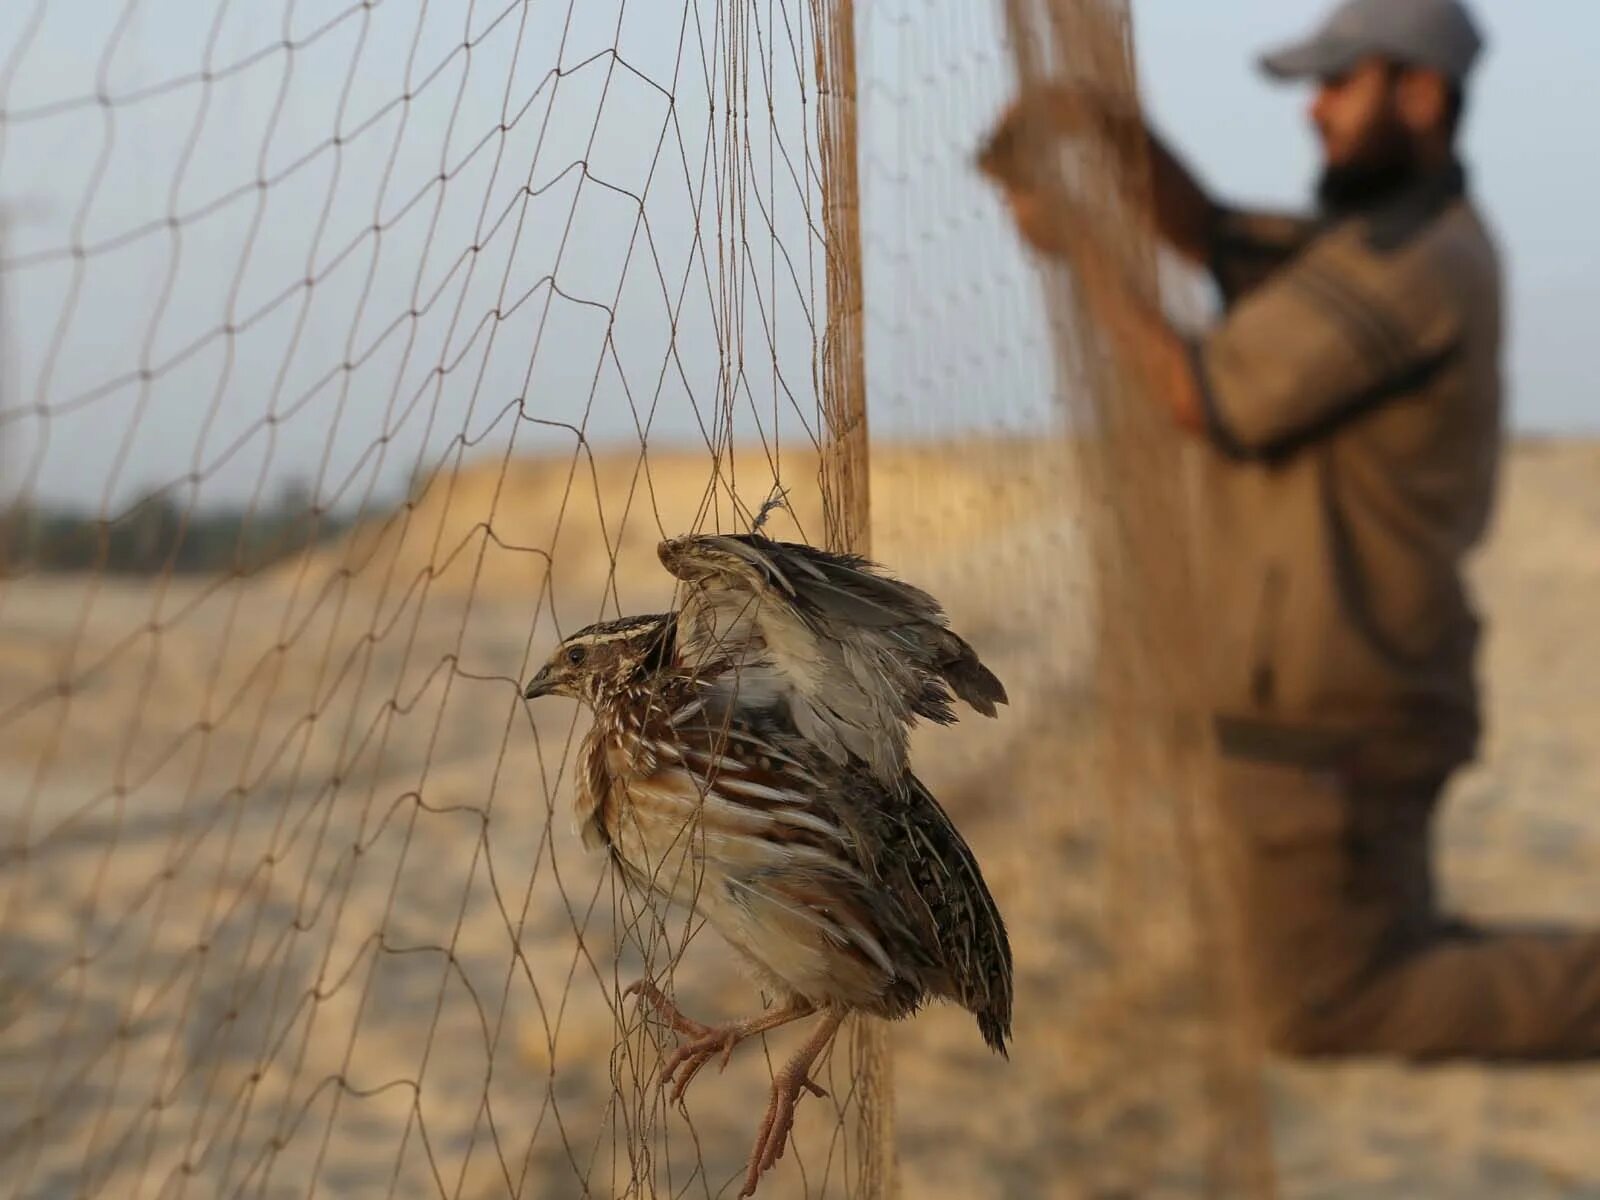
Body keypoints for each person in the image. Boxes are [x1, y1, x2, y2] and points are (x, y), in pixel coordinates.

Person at [985, 0, 1600, 1059]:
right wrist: (1100, 124)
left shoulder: (1413, 265)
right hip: (1341, 698)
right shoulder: (1375, 245)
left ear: (1419, 92)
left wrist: (1083, 246)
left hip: (1337, 711)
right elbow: (1215, 236)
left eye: (1335, 83)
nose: (1311, 111)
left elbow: (1205, 397)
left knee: (1329, 1005)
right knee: (1363, 962)